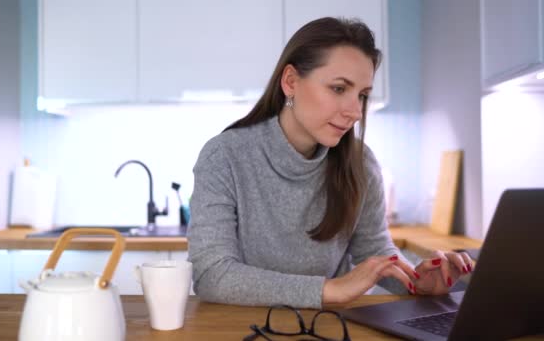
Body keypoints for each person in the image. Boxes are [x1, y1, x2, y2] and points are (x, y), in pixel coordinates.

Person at [187, 17, 473, 309]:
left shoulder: (361, 163)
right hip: (238, 328)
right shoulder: (224, 157)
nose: (355, 112)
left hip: (329, 326)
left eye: (361, 95)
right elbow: (212, 275)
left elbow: (373, 250)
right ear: (290, 82)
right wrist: (329, 290)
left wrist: (414, 279)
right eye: (339, 88)